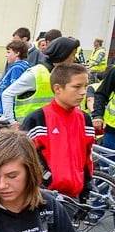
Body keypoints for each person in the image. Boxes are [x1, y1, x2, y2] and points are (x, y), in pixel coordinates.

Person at [20, 62, 94, 198]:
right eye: (77, 87)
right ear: (58, 89)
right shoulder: (37, 119)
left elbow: (87, 159)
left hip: (74, 197)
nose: (83, 92)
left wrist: (86, 189)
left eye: (85, 86)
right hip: (43, 195)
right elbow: (24, 159)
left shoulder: (85, 120)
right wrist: (45, 181)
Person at [0, 36, 80, 125]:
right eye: (73, 55)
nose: (74, 59)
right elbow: (7, 94)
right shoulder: (36, 73)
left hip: (52, 126)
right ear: (63, 54)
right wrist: (12, 123)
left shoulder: (63, 73)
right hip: (30, 129)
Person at [0, 40, 30, 118]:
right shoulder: (19, 67)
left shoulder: (17, 69)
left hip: (6, 112)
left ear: (17, 53)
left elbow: (14, 92)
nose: (6, 55)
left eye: (8, 52)